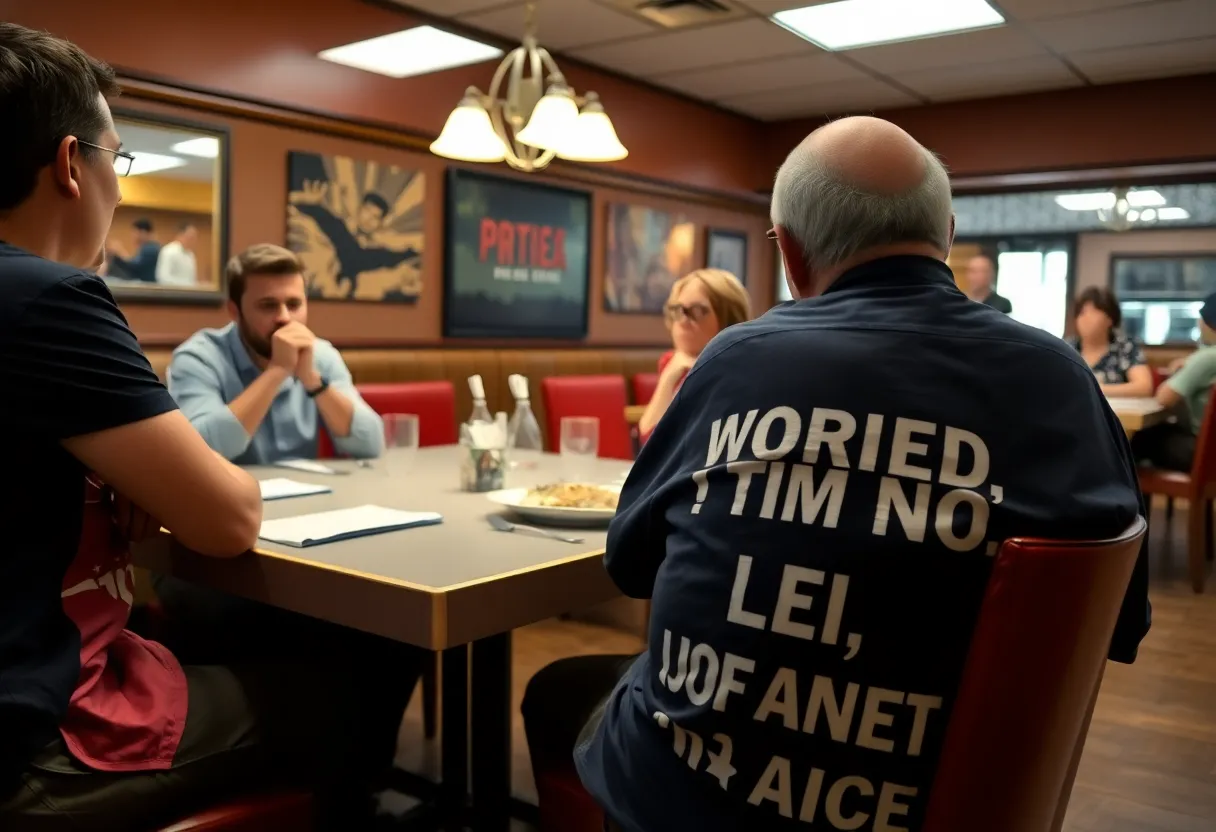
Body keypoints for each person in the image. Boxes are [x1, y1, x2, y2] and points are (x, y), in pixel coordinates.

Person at [522, 116, 1149, 832]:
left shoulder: (733, 361)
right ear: (945, 232)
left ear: (790, 253)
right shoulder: (1060, 381)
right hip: (937, 800)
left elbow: (630, 563)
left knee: (561, 693)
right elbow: (1114, 625)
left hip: (698, 799)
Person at [0, 24, 416, 830]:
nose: (119, 189)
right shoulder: (52, 299)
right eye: (117, 161)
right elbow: (230, 516)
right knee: (341, 686)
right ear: (70, 166)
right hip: (34, 734)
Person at [166, 243, 384, 464]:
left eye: (294, 304)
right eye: (268, 306)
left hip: (309, 494)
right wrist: (277, 371)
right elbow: (198, 451)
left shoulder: (321, 355)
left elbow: (371, 444)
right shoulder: (198, 358)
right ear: (234, 311)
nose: (284, 318)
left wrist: (313, 381)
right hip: (227, 496)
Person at [637, 268, 751, 439]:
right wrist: (669, 377)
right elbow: (648, 438)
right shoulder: (672, 363)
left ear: (729, 319)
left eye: (698, 311)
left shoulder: (741, 371)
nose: (683, 320)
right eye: (678, 309)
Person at [1130, 292, 1216, 472]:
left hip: (1200, 452)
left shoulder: (1207, 358)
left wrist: (1184, 369)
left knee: (1135, 440)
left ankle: (1131, 497)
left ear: (1209, 323)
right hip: (1210, 453)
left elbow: (1164, 397)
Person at [1066, 286, 1153, 397]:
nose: (1086, 319)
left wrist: (1095, 389)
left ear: (1109, 319)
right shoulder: (1067, 349)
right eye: (1082, 313)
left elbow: (1144, 387)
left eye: (1094, 312)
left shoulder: (1125, 347)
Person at [106, 217, 161, 282]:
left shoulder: (150, 248)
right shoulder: (147, 247)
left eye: (135, 233)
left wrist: (120, 251)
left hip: (147, 284)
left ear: (143, 232)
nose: (133, 237)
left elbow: (134, 267)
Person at [156, 221, 198, 286]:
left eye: (194, 237)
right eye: (190, 237)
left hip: (189, 294)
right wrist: (187, 285)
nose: (192, 240)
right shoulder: (168, 251)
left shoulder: (190, 255)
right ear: (181, 234)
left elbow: (192, 279)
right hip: (172, 294)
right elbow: (163, 278)